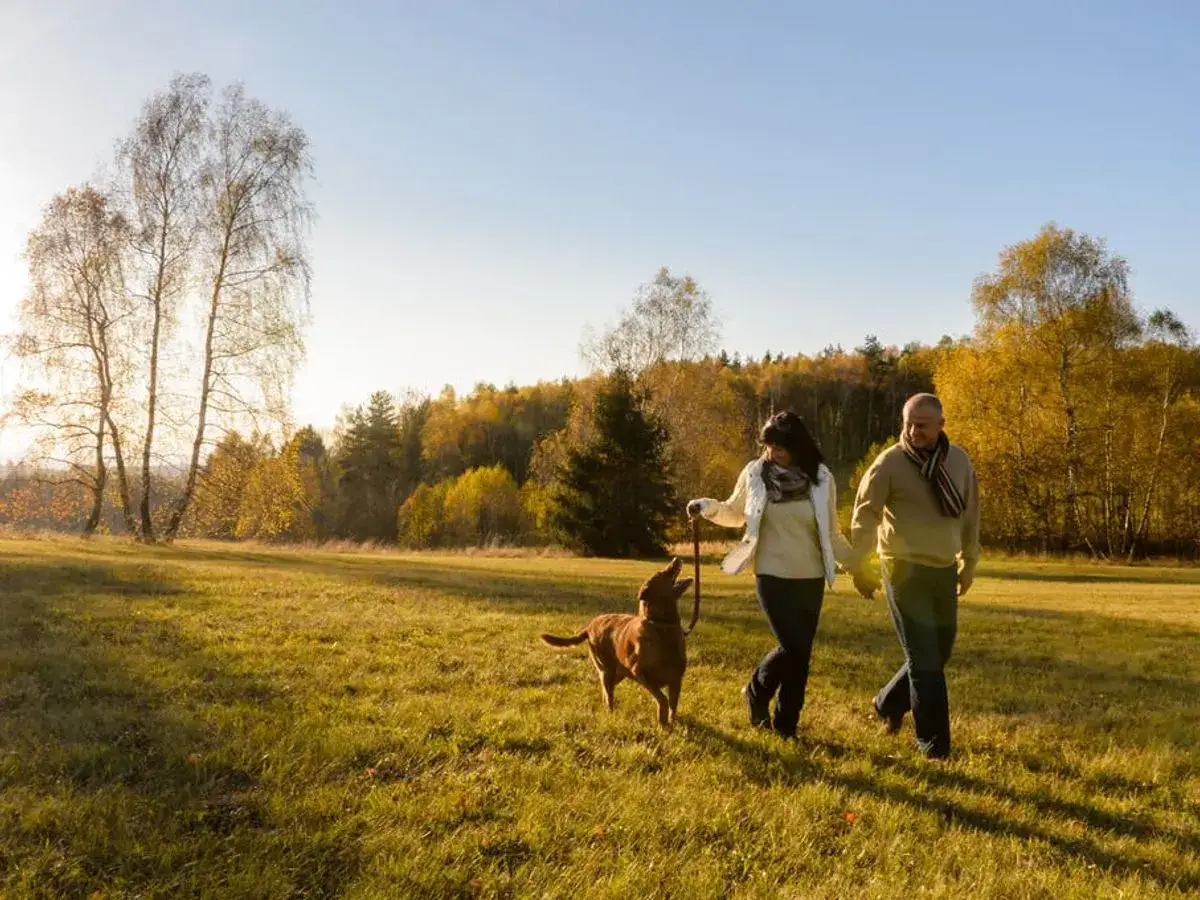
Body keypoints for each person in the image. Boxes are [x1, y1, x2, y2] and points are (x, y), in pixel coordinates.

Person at [687, 410, 851, 739]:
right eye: (768, 446)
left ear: (798, 447)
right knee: (792, 646)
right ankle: (757, 690)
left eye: (780, 447)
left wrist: (858, 564)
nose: (771, 453)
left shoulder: (821, 478)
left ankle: (787, 724)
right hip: (770, 573)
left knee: (801, 655)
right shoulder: (755, 473)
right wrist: (706, 507)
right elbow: (735, 512)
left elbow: (832, 532)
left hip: (811, 576)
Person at [848, 393, 980, 760]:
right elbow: (865, 514)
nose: (913, 430)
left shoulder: (958, 460)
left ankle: (887, 702)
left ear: (941, 425)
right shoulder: (889, 462)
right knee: (925, 661)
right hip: (902, 568)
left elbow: (970, 514)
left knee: (940, 651)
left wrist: (969, 561)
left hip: (942, 567)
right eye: (907, 423)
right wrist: (859, 565)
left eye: (921, 424)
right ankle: (934, 748)